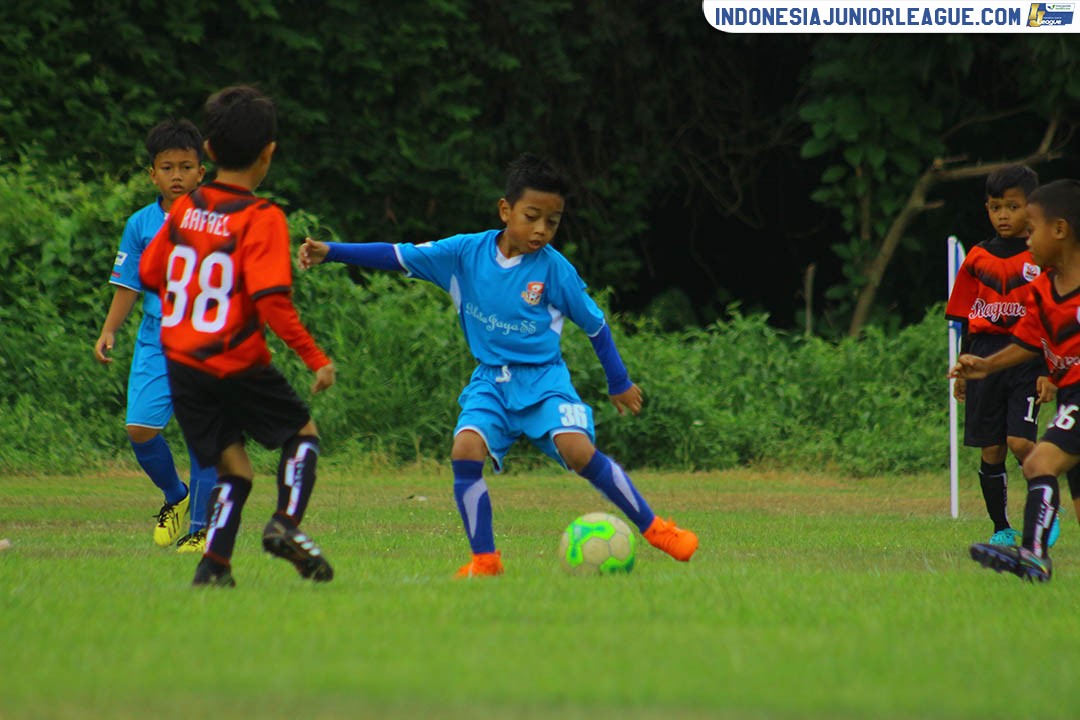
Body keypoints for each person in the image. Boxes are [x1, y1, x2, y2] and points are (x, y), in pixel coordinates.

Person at [298, 153, 698, 578]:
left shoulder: (555, 270)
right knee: (464, 450)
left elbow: (596, 325)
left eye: (553, 221)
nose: (542, 230)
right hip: (491, 381)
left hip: (544, 380)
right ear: (505, 210)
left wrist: (618, 381)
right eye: (532, 216)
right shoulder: (463, 254)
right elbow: (397, 255)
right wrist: (332, 252)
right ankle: (485, 561)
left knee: (579, 451)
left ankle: (656, 529)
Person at [139, 85, 337, 588]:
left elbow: (149, 269)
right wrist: (316, 359)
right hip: (234, 358)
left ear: (207, 152)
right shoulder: (261, 217)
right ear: (269, 153)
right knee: (302, 437)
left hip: (183, 364)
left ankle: (214, 567)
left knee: (235, 470)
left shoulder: (184, 209)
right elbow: (272, 303)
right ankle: (285, 525)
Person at [94, 119, 217, 553]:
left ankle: (202, 526)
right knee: (140, 429)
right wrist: (110, 330)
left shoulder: (217, 219)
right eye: (167, 167)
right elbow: (128, 284)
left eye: (186, 166)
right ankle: (176, 498)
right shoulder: (141, 225)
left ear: (202, 171)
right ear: (153, 174)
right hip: (155, 341)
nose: (177, 175)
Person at [951, 178, 1080, 583]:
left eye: (1032, 230)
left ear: (1059, 230)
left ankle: (1034, 556)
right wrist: (985, 367)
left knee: (1039, 458)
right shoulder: (1042, 288)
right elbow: (1027, 340)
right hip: (1070, 397)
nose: (1027, 242)